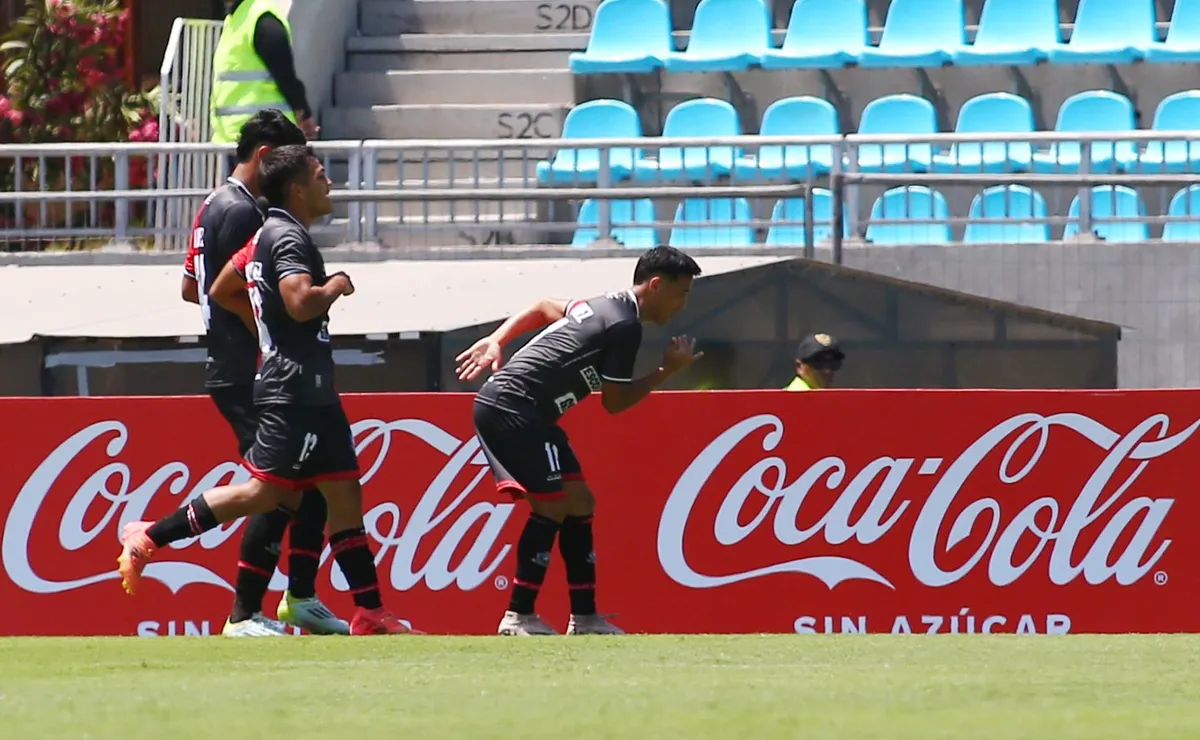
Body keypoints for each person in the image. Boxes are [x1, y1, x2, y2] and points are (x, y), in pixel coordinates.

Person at [121, 144, 414, 636]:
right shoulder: (287, 238)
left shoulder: (265, 236)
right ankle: (149, 536)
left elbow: (221, 288)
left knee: (343, 494)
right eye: (321, 176)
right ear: (297, 188)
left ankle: (371, 613)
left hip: (312, 391)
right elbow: (301, 304)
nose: (329, 184)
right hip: (292, 391)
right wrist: (337, 283)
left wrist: (264, 328)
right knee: (263, 494)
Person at [456, 245, 704, 636]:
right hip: (513, 406)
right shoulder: (625, 326)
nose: (682, 305)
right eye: (682, 293)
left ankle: (585, 619)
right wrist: (666, 371)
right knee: (552, 503)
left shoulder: (606, 305)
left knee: (579, 501)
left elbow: (541, 306)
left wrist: (496, 339)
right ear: (656, 285)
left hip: (528, 410)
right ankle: (517, 616)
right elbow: (615, 403)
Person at [180, 110, 347, 637]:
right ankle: (245, 613)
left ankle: (299, 597)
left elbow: (192, 288)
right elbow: (239, 290)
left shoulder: (212, 204)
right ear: (263, 158)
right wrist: (267, 338)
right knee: (275, 488)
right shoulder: (252, 214)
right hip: (252, 370)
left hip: (234, 367)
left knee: (305, 484)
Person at [210, 0, 319, 149]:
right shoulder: (235, 18)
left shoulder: (260, 17)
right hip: (241, 138)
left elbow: (284, 73)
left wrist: (303, 112)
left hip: (266, 136)